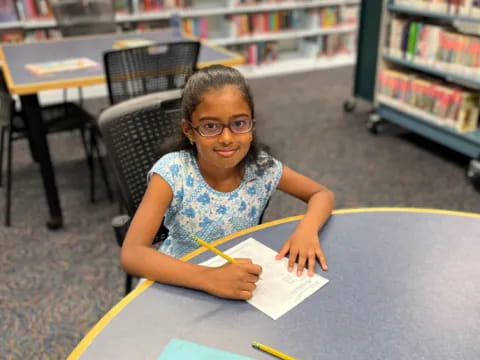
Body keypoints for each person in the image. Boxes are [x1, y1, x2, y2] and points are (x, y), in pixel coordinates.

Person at [121, 65, 335, 300]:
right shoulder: (173, 172)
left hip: (236, 277)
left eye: (239, 123)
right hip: (180, 281)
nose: (226, 138)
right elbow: (132, 254)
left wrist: (307, 229)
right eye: (210, 126)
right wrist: (208, 277)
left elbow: (321, 194)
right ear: (189, 131)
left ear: (252, 125)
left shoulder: (261, 167)